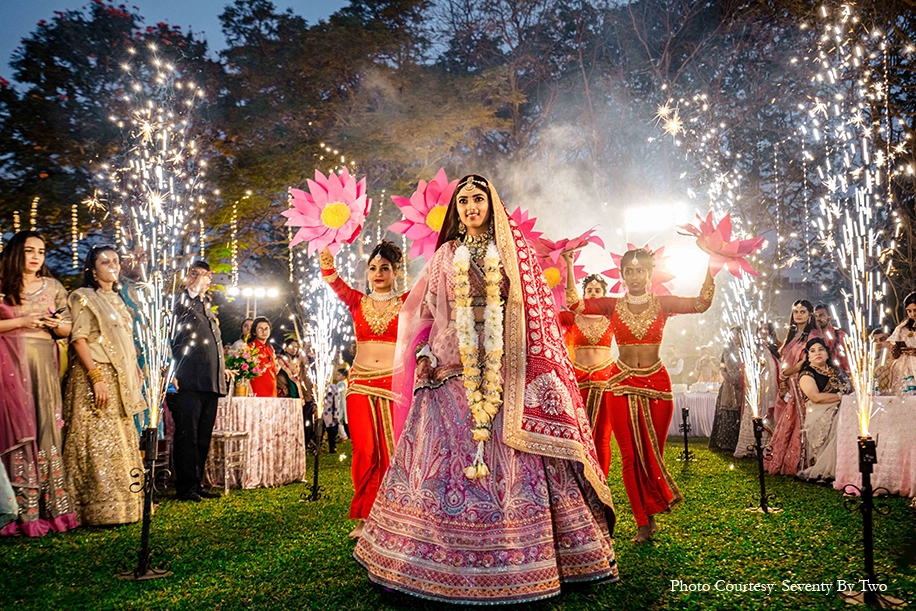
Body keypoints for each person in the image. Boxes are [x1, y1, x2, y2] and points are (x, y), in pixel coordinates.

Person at [355, 175, 618, 604]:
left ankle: (523, 555)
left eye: (478, 198)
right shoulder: (444, 255)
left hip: (505, 369)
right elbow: (425, 311)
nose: (470, 206)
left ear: (491, 204)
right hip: (448, 368)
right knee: (437, 462)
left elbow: (533, 312)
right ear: (456, 210)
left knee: (513, 458)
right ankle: (428, 557)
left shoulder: (514, 256)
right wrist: (423, 353)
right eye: (463, 201)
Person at [567, 246, 715, 543]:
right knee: (630, 457)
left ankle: (652, 508)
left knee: (652, 455)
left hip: (656, 384)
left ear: (650, 274)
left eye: (640, 271)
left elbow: (701, 303)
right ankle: (642, 522)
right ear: (622, 275)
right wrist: (568, 263)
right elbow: (575, 304)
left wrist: (712, 261)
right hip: (619, 382)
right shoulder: (611, 305)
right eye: (629, 271)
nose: (634, 276)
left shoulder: (663, 303)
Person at [320, 240, 410, 537]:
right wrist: (326, 257)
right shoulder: (357, 301)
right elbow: (332, 278)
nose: (378, 273)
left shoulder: (407, 301)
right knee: (365, 449)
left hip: (393, 381)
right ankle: (363, 517)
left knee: (392, 450)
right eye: (373, 268)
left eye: (385, 268)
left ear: (396, 271)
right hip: (360, 382)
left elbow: (435, 285)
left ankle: (393, 514)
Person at [0, 231, 77, 536]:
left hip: (44, 361)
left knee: (46, 427)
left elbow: (68, 327)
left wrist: (56, 324)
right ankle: (18, 512)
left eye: (42, 252)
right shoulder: (4, 285)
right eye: (30, 251)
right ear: (16, 252)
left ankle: (52, 511)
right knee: (20, 429)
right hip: (10, 365)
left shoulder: (54, 287)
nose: (36, 257)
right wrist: (22, 321)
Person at [62, 245, 145, 526]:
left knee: (120, 440)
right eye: (104, 261)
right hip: (94, 377)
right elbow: (78, 338)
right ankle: (91, 507)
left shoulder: (120, 300)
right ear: (92, 269)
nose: (112, 265)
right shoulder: (83, 297)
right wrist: (96, 377)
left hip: (121, 378)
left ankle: (125, 506)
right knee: (96, 441)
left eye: (116, 261)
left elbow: (125, 342)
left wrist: (134, 367)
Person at [167, 261, 229, 502]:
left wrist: (221, 371)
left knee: (203, 436)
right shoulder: (179, 302)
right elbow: (168, 337)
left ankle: (197, 482)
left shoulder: (206, 305)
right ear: (189, 276)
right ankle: (184, 486)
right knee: (187, 435)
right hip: (187, 380)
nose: (204, 279)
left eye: (207, 275)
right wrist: (170, 372)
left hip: (209, 382)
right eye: (198, 274)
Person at [560, 272, 616, 473]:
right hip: (578, 379)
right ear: (582, 294)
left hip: (606, 379)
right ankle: (581, 481)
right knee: (577, 434)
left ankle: (602, 483)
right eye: (589, 290)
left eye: (597, 291)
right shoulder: (572, 317)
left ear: (604, 294)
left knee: (602, 436)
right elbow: (545, 318)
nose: (593, 294)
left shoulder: (612, 317)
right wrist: (568, 265)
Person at [765, 300, 825, 476]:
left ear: (810, 315)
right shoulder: (792, 335)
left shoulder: (813, 335)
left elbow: (810, 359)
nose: (799, 315)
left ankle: (802, 461)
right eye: (796, 311)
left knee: (798, 420)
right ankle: (783, 459)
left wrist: (789, 372)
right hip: (787, 382)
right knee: (782, 419)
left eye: (803, 311)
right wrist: (784, 378)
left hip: (803, 382)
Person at [796, 338, 853, 482]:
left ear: (827, 353)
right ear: (808, 356)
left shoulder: (836, 370)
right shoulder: (807, 373)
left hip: (845, 406)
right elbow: (815, 397)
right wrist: (841, 397)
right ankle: (833, 467)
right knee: (842, 419)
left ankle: (851, 465)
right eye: (813, 351)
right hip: (820, 411)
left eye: (821, 349)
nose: (817, 353)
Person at [733, 322, 779, 458]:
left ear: (771, 332)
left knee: (768, 416)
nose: (763, 332)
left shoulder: (775, 347)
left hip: (771, 389)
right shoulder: (753, 347)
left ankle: (767, 446)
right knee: (755, 414)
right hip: (757, 389)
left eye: (766, 329)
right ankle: (751, 446)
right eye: (761, 329)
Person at [709, 328, 744, 453]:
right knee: (727, 409)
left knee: (740, 409)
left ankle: (741, 441)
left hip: (743, 384)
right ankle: (725, 442)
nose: (734, 337)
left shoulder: (746, 349)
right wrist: (728, 378)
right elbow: (722, 368)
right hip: (728, 385)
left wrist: (740, 380)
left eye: (737, 335)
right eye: (732, 335)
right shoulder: (726, 351)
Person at [888, 292, 916, 395]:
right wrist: (896, 351)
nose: (913, 314)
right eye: (909, 311)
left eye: (915, 310)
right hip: (905, 368)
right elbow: (895, 355)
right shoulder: (902, 328)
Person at [814, 304, 850, 373]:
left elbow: (847, 362)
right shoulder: (812, 336)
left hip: (838, 376)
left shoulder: (840, 336)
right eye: (816, 316)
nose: (818, 319)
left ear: (829, 317)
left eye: (821, 315)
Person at [248, 317, 277, 398]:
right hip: (255, 392)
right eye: (260, 329)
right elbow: (245, 374)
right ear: (254, 332)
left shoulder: (270, 348)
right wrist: (250, 392)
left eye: (266, 329)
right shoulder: (249, 347)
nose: (264, 331)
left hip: (272, 392)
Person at [322, 368, 346, 453]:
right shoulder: (321, 388)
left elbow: (336, 403)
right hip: (323, 414)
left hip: (330, 414)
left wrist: (336, 415)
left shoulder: (334, 388)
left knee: (332, 432)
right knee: (322, 431)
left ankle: (333, 447)